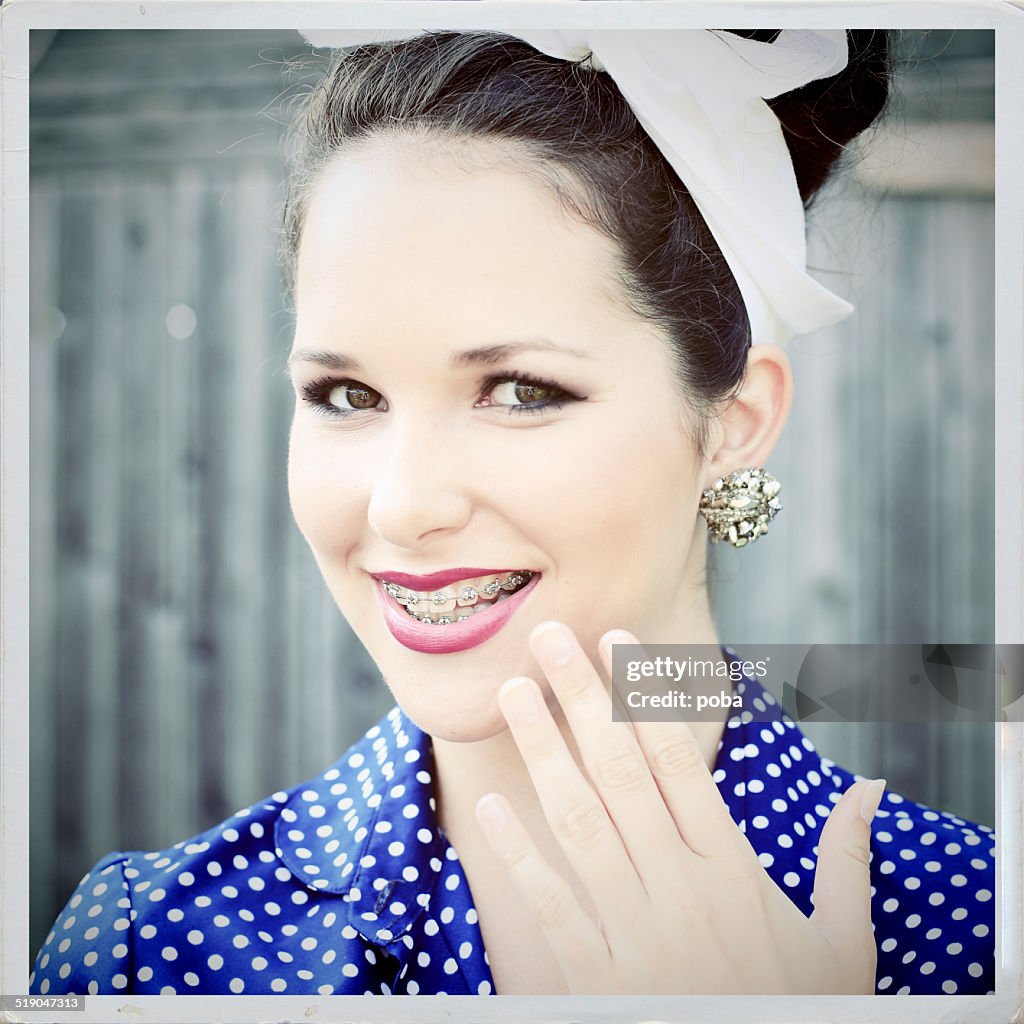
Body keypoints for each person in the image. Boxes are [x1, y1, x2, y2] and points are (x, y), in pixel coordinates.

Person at [30, 27, 995, 997]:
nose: (403, 505)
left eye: (522, 389)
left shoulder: (979, 930)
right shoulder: (146, 950)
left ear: (734, 423)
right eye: (346, 396)